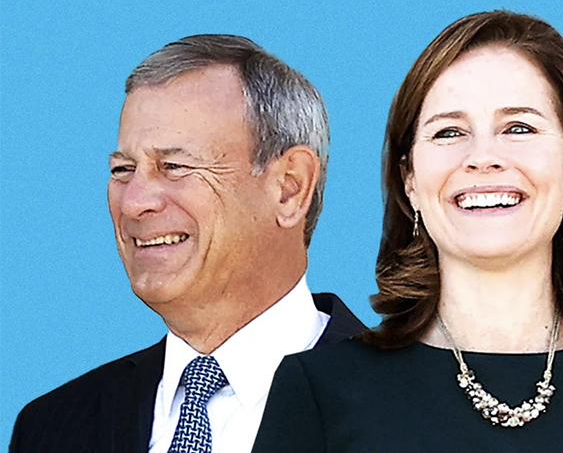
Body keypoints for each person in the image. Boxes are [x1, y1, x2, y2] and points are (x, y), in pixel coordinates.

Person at [252, 10, 563, 453]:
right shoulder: (318, 391)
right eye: (449, 132)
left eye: (519, 128)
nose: (482, 156)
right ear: (410, 181)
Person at [9, 35, 365, 453]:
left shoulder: (420, 407)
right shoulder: (53, 427)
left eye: (174, 166)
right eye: (123, 169)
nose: (136, 202)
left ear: (289, 188)